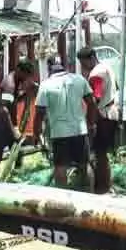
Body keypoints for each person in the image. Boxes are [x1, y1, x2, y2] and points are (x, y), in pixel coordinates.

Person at [32, 57, 98, 190]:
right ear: (64, 66)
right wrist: (91, 123)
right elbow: (92, 102)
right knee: (84, 165)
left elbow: (39, 113)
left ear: (49, 69)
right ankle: (90, 194)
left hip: (59, 133)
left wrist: (36, 133)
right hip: (80, 130)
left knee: (60, 167)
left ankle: (61, 199)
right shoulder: (79, 79)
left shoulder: (46, 85)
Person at [77, 46, 119, 194]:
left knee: (99, 153)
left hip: (103, 115)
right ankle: (105, 185)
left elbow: (95, 98)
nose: (83, 67)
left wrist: (91, 122)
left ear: (90, 59)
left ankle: (103, 187)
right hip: (112, 111)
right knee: (103, 153)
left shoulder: (96, 74)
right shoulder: (107, 68)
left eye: (83, 63)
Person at [0, 58, 35, 178]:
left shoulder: (16, 81)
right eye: (26, 75)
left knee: (17, 150)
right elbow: (4, 110)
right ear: (19, 70)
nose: (26, 78)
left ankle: (16, 175)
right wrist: (13, 130)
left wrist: (26, 93)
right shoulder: (10, 84)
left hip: (4, 123)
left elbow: (12, 102)